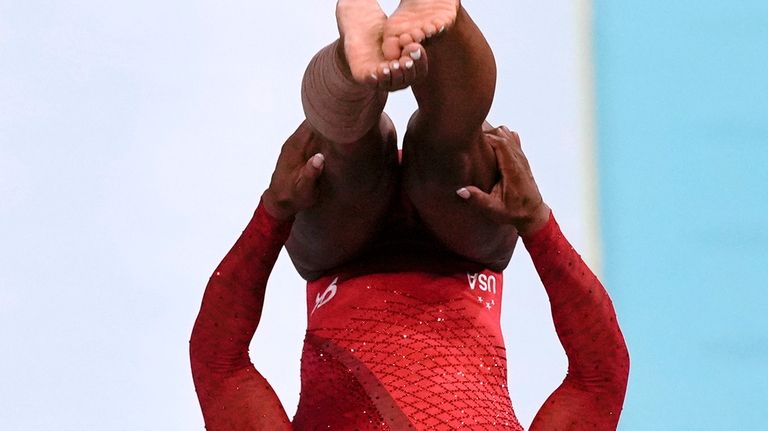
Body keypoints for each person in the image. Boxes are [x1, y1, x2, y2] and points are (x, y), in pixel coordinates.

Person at [189, 0, 629, 429]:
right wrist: (534, 221)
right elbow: (597, 378)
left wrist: (275, 212)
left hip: (338, 256)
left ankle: (353, 68)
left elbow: (220, 363)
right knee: (450, 157)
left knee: (344, 157)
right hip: (465, 253)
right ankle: (438, 21)